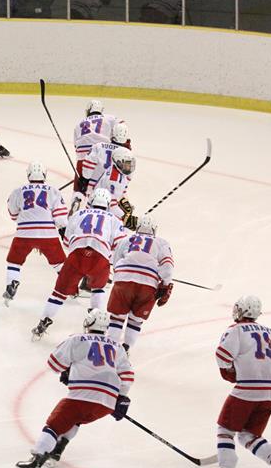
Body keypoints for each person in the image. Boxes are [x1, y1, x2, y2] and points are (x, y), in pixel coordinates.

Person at [16, 309, 134, 468]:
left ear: (89, 323)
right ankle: (57, 451)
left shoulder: (77, 339)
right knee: (75, 419)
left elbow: (54, 364)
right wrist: (121, 397)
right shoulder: (117, 347)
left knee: (55, 424)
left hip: (82, 397)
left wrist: (68, 370)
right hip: (106, 402)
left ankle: (35, 462)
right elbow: (127, 376)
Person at [205, 295, 271, 468]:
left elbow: (222, 355)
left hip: (247, 390)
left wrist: (228, 371)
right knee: (248, 435)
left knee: (225, 430)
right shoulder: (269, 332)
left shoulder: (236, 330)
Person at [31, 188, 126, 341]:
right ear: (107, 204)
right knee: (98, 289)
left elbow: (67, 241)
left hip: (77, 255)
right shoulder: (114, 219)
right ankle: (97, 323)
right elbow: (119, 245)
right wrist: (111, 261)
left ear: (91, 201)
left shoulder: (78, 214)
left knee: (59, 294)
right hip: (100, 257)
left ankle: (43, 322)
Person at [3, 162, 68, 306]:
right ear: (44, 174)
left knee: (14, 262)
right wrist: (61, 228)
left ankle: (11, 282)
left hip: (24, 233)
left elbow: (13, 214)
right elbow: (61, 218)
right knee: (59, 264)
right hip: (48, 235)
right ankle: (71, 288)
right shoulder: (53, 191)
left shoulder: (18, 191)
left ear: (28, 175)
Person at [107, 215, 173, 353]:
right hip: (147, 284)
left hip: (123, 280)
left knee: (117, 318)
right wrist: (165, 283)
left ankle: (110, 349)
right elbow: (167, 265)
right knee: (136, 320)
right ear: (154, 229)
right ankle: (125, 349)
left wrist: (121, 274)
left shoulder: (126, 239)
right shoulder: (161, 242)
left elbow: (115, 260)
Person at [72, 100, 129, 200]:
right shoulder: (108, 118)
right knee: (107, 179)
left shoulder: (79, 124)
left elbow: (76, 146)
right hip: (102, 152)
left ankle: (76, 199)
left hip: (83, 157)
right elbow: (122, 126)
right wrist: (125, 143)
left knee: (79, 187)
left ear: (89, 110)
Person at [84, 144, 137, 229]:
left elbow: (121, 192)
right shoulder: (113, 179)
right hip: (96, 213)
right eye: (126, 164)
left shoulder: (119, 171)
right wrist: (126, 218)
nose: (129, 167)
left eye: (130, 164)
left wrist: (124, 202)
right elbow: (111, 207)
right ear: (118, 162)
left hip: (100, 209)